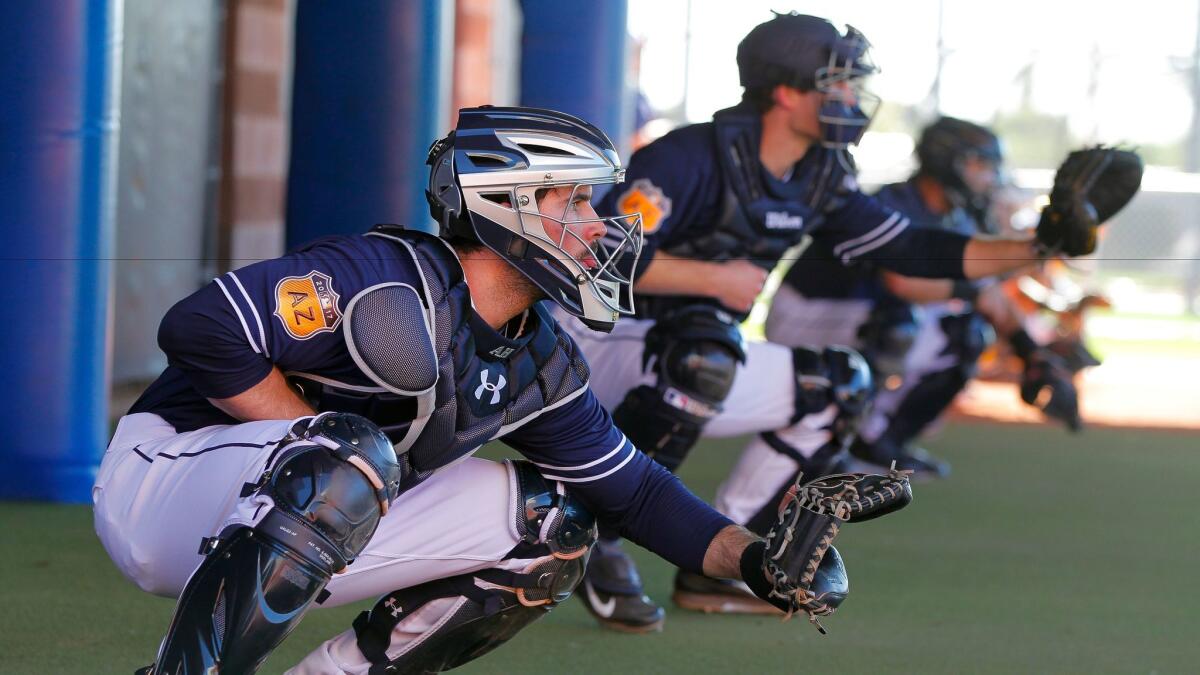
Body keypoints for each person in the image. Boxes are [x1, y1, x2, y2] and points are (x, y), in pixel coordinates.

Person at [93, 107, 886, 674]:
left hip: (314, 501)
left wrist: (755, 559)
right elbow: (201, 327)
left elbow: (635, 493)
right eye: (574, 201)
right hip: (162, 483)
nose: (600, 224)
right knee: (349, 456)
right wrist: (325, 451)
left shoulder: (539, 358)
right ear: (504, 205)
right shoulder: (380, 279)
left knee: (554, 522)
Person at [554, 13, 1072, 631]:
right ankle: (595, 531)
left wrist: (1037, 247)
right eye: (839, 83)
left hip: (685, 350)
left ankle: (730, 556)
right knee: (704, 356)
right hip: (586, 344)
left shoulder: (822, 174)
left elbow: (910, 249)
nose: (852, 99)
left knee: (838, 386)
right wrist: (712, 279)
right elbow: (591, 253)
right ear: (787, 92)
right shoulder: (689, 157)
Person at [761, 116, 1083, 484]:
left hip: (858, 316)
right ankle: (842, 442)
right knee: (900, 324)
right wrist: (972, 291)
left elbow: (989, 292)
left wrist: (1032, 354)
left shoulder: (955, 217)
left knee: (966, 333)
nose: (989, 178)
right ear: (949, 161)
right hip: (804, 312)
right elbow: (901, 282)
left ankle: (880, 442)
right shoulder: (894, 202)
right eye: (980, 165)